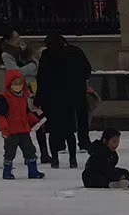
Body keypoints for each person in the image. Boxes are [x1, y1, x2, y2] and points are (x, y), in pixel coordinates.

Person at [35, 30, 93, 168]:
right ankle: (81, 145)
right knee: (76, 122)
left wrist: (39, 100)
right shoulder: (76, 51)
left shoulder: (47, 55)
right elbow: (87, 69)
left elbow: (42, 78)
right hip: (76, 93)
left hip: (54, 97)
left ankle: (56, 157)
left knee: (55, 128)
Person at [0, 69, 45, 180]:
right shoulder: (4, 98)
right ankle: (7, 172)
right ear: (9, 85)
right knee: (9, 152)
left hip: (24, 130)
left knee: (30, 150)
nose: (17, 87)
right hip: (11, 131)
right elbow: (1, 115)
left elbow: (26, 112)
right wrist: (4, 129)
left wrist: (35, 121)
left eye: (20, 84)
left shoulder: (24, 97)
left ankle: (33, 171)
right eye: (15, 85)